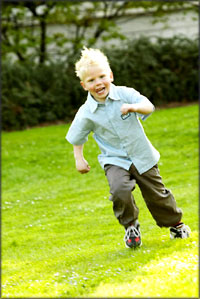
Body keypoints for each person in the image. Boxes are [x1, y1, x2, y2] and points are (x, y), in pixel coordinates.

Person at [66, 47, 191, 248]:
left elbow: (148, 106)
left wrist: (134, 107)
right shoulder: (86, 112)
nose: (98, 83)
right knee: (119, 190)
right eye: (91, 80)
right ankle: (131, 227)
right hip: (114, 160)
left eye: (101, 76)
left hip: (142, 155)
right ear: (84, 85)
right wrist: (79, 158)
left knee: (157, 194)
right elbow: (77, 136)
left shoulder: (125, 94)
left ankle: (176, 225)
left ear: (111, 75)